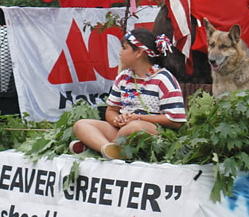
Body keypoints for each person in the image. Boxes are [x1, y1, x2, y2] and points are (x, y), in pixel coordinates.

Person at [70, 29, 186, 159]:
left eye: (124, 48)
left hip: (153, 133)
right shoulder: (123, 77)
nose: (120, 52)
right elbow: (111, 111)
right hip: (122, 131)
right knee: (81, 125)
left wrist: (138, 118)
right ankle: (108, 149)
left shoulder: (163, 79)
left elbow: (175, 120)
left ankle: (98, 148)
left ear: (139, 53)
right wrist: (117, 119)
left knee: (133, 128)